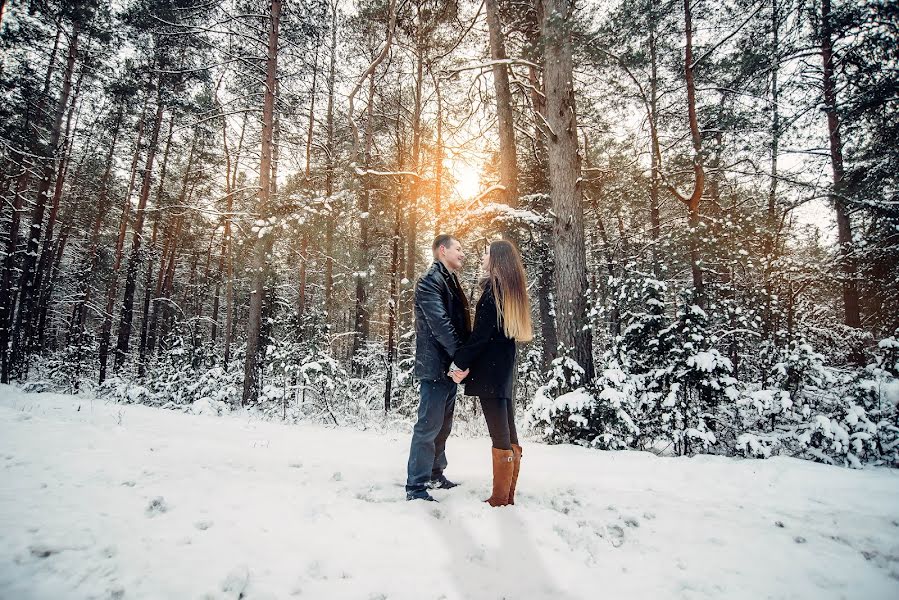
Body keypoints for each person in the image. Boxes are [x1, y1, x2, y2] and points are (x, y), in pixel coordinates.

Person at [450, 239, 533, 507]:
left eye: (485, 253)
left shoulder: (493, 291)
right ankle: (507, 495)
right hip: (503, 368)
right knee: (507, 430)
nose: (482, 256)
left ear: (496, 259)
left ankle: (500, 499)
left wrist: (458, 363)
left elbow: (480, 337)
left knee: (499, 432)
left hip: (491, 370)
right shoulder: (509, 290)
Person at [405, 235, 472, 502]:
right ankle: (416, 486)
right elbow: (441, 324)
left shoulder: (450, 279)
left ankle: (435, 474)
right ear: (442, 251)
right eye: (458, 249)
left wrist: (460, 361)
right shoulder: (429, 281)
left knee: (443, 425)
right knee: (428, 426)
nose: (462, 254)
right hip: (435, 366)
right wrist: (461, 359)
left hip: (449, 366)